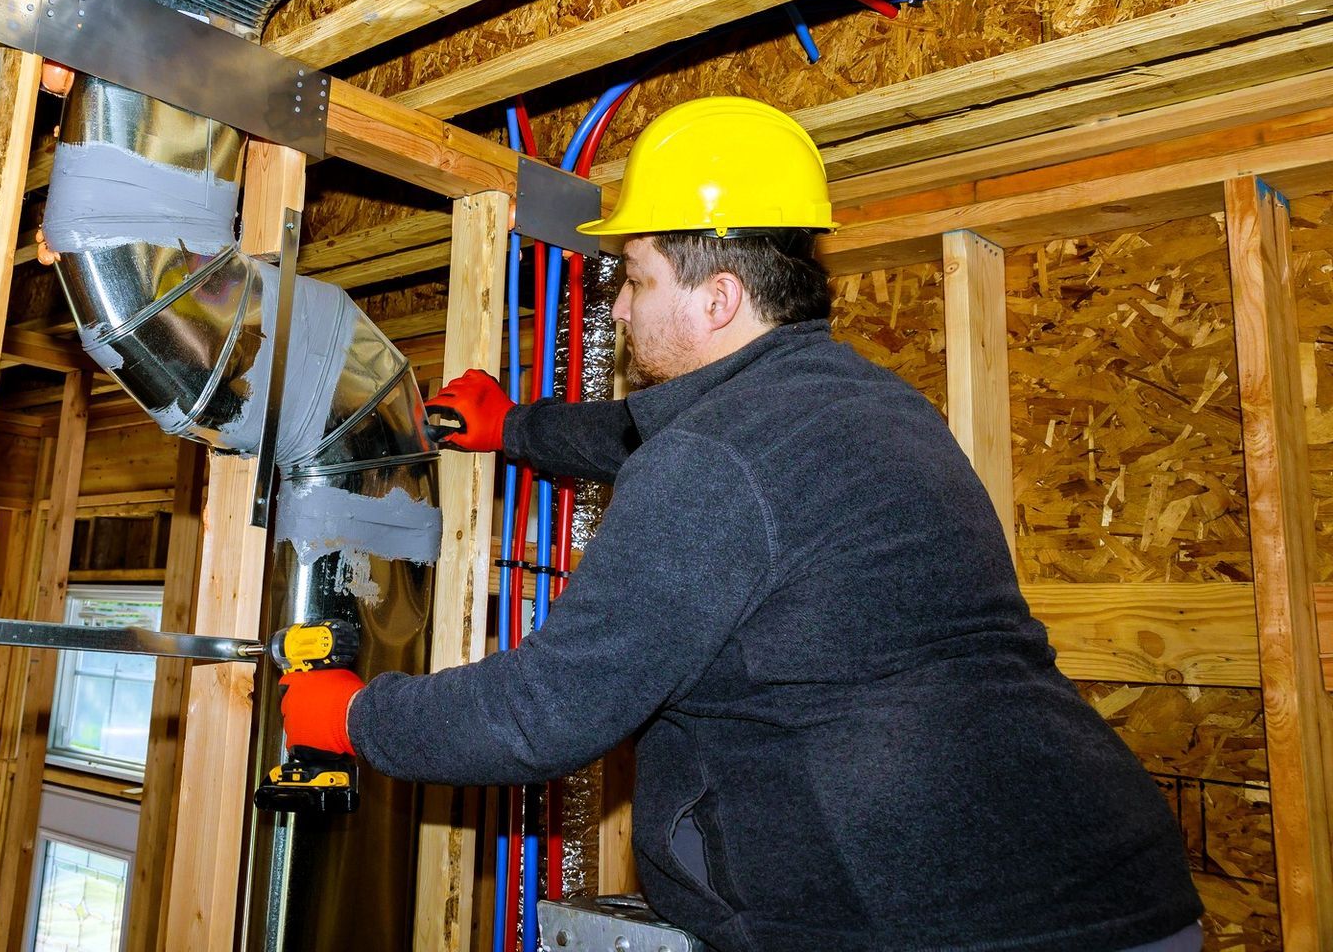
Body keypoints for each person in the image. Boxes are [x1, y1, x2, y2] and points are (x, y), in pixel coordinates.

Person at [278, 98, 1204, 952]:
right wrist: (513, 427)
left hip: (939, 922)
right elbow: (658, 440)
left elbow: (544, 714)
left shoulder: (712, 465)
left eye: (635, 281)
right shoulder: (867, 403)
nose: (621, 306)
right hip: (1110, 885)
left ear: (718, 298)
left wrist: (358, 715)